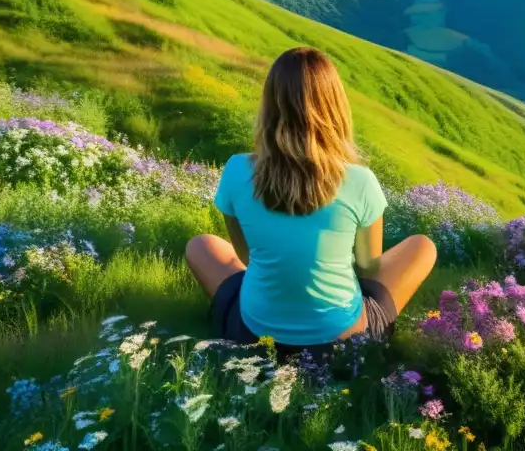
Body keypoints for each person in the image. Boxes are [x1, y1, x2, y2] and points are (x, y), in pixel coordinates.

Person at [185, 46, 437, 356]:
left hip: (253, 332)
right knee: (422, 246)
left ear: (270, 105)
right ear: (334, 107)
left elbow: (247, 258)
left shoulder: (237, 170)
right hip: (344, 342)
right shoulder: (360, 181)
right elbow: (368, 267)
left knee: (200, 245)